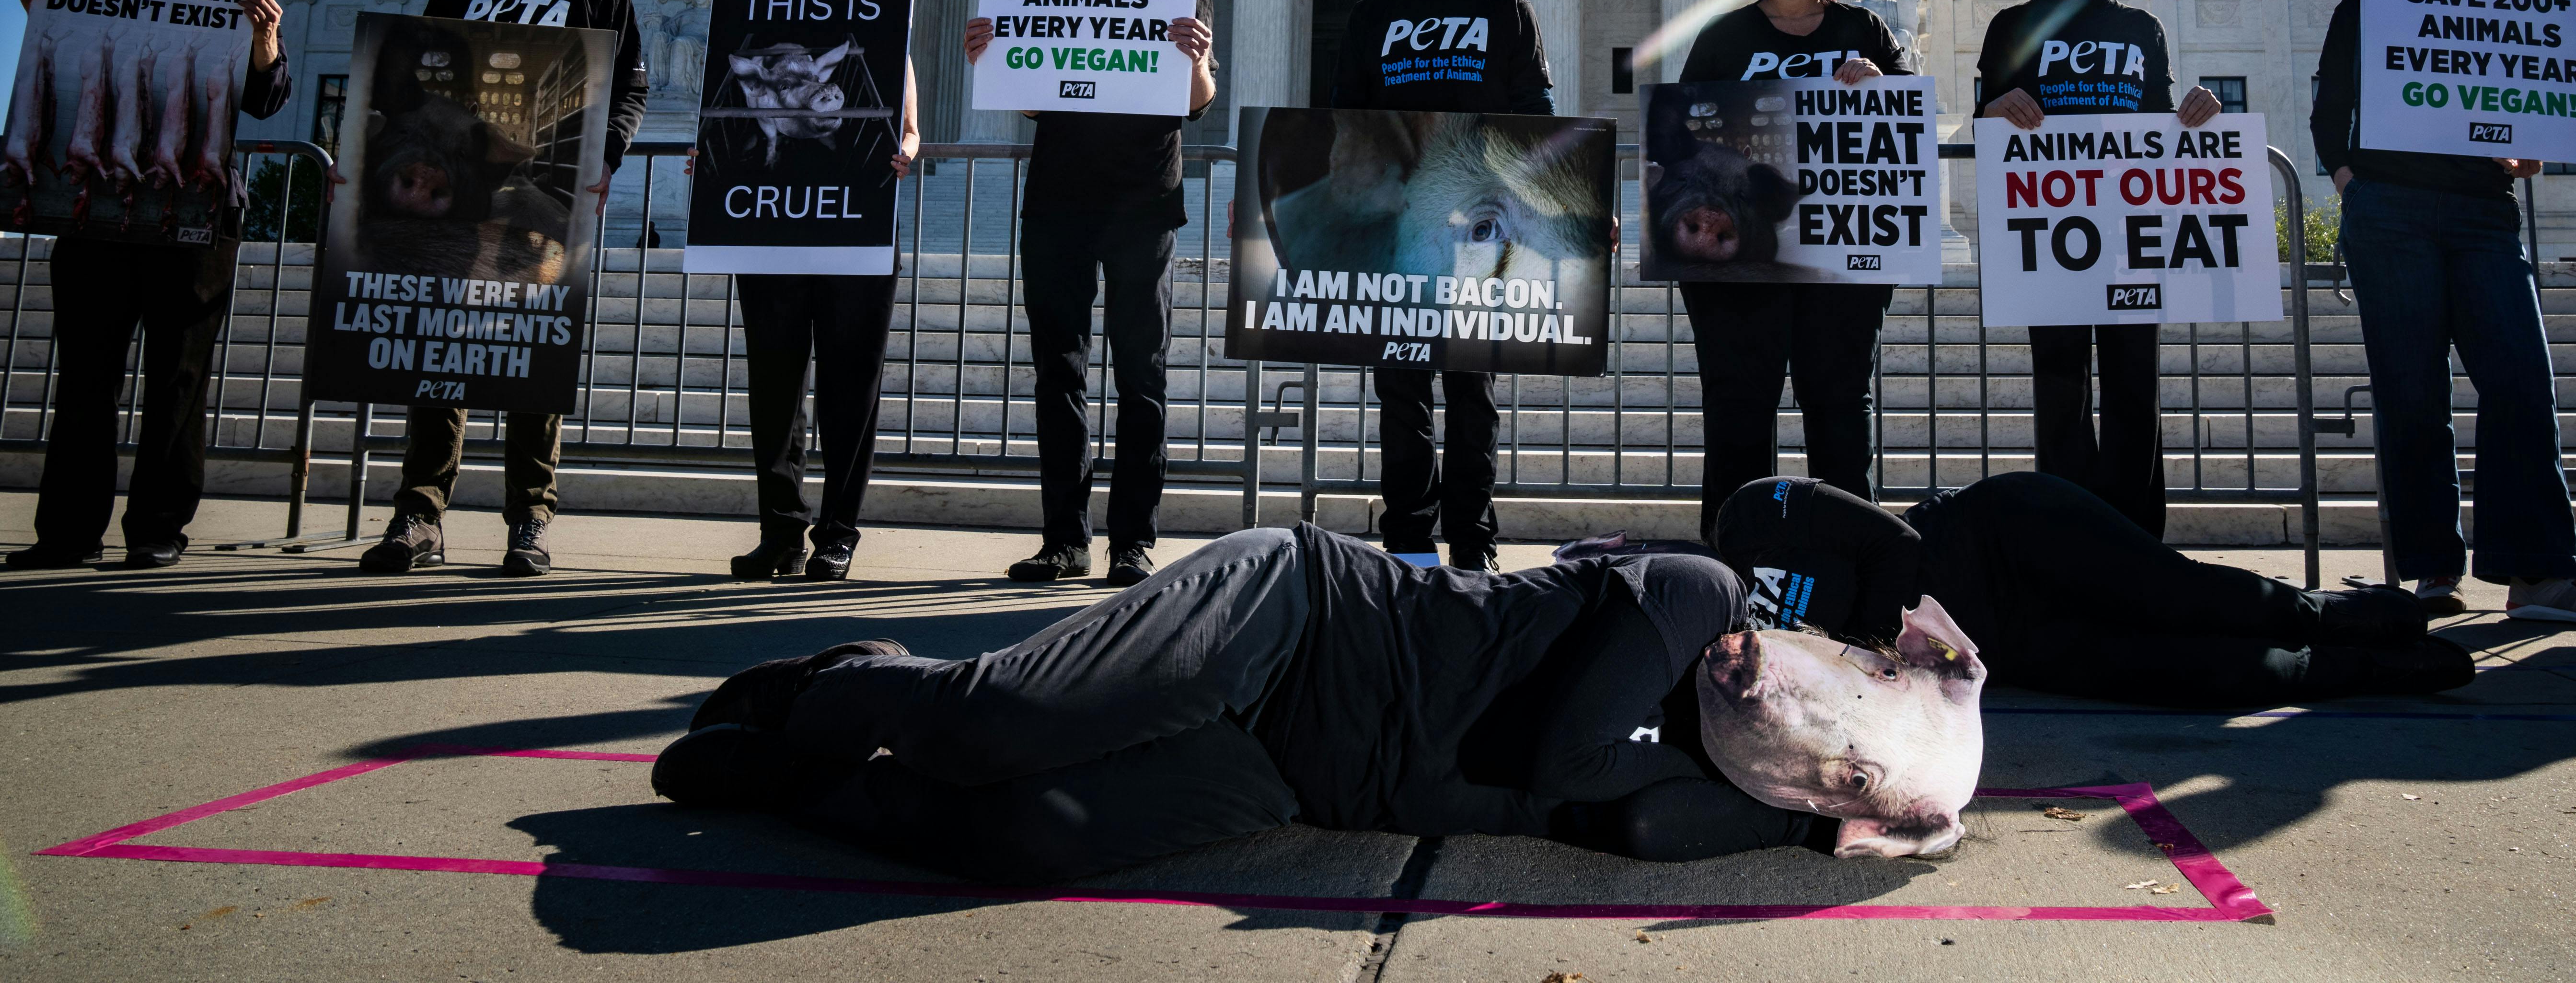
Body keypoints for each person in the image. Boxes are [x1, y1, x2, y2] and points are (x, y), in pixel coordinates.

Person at [648, 523, 1961, 880]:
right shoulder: (1694, 590)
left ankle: (800, 788)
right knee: (997, 728)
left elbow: (1640, 836)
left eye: (1818, 719)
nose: (1764, 663)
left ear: (1811, 770)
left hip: (1293, 776)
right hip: (1292, 618)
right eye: (1832, 661)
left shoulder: (1698, 798)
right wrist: (1713, 770)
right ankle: (852, 687)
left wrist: (1811, 832)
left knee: (1009, 837)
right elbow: (1563, 759)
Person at [2313, 0, 2576, 627]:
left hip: (2482, 216)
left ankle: (2539, 575)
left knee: (2522, 383)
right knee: (2412, 395)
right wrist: (2355, 185)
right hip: (2391, 214)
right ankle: (2433, 570)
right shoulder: (2361, 13)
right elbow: (2329, 117)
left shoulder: (2502, 14)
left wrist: (2528, 155)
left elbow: (2536, 123)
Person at [356, 0, 649, 579]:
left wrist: (603, 157)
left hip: (544, 198)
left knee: (533, 353)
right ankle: (420, 512)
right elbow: (422, 80)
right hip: (453, 196)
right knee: (441, 351)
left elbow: (630, 88)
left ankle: (529, 520)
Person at [5, 0, 291, 570]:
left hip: (196, 212)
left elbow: (266, 102)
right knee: (86, 377)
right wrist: (38, 12)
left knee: (179, 380)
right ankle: (68, 532)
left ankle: (159, 527)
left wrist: (266, 48)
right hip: (97, 207)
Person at [965, 0, 1215, 590]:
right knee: (1060, 373)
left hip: (1145, 197)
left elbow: (1197, 102)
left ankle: (1133, 543)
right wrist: (993, 61)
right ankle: (1064, 541)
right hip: (1062, 197)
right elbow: (1039, 100)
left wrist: (1197, 57)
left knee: (1142, 376)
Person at [1689, 473, 2472, 709]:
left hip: (2006, 536)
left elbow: (1895, 544)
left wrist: (1873, 652)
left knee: (2182, 598)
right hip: (2001, 643)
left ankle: (2353, 616)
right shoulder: (1729, 652)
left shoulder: (1750, 512)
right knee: (2182, 679)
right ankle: (2372, 675)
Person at [1329, 0, 1554, 572]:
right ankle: (1407, 544)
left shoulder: (1508, 14)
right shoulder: (1371, 18)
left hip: (1481, 238)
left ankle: (1473, 546)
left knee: (1473, 399)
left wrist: (1576, 211)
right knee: (1402, 397)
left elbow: (1538, 125)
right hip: (1401, 235)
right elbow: (1347, 127)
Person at [1975, 0, 2217, 538]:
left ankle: (2139, 538)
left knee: (2135, 382)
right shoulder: (2012, 24)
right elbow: (1985, 118)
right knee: (2061, 386)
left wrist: (2197, 116)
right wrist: (1998, 110)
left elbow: (2159, 125)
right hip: (2050, 229)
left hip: (2128, 228)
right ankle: (2069, 535)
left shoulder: (2142, 28)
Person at [1673, 0, 1909, 542]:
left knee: (1839, 417)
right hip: (1739, 264)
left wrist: (1880, 84)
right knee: (1738, 418)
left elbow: (1908, 127)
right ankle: (1733, 570)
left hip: (1841, 263)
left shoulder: (1862, 32)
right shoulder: (1725, 38)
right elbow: (1683, 130)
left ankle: (1852, 575)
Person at [724, 0, 922, 583]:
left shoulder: (884, 37)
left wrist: (907, 152)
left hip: (856, 227)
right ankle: (780, 530)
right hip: (772, 226)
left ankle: (837, 533)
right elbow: (726, 119)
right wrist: (712, 160)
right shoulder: (753, 33)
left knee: (850, 384)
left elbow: (912, 129)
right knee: (776, 383)